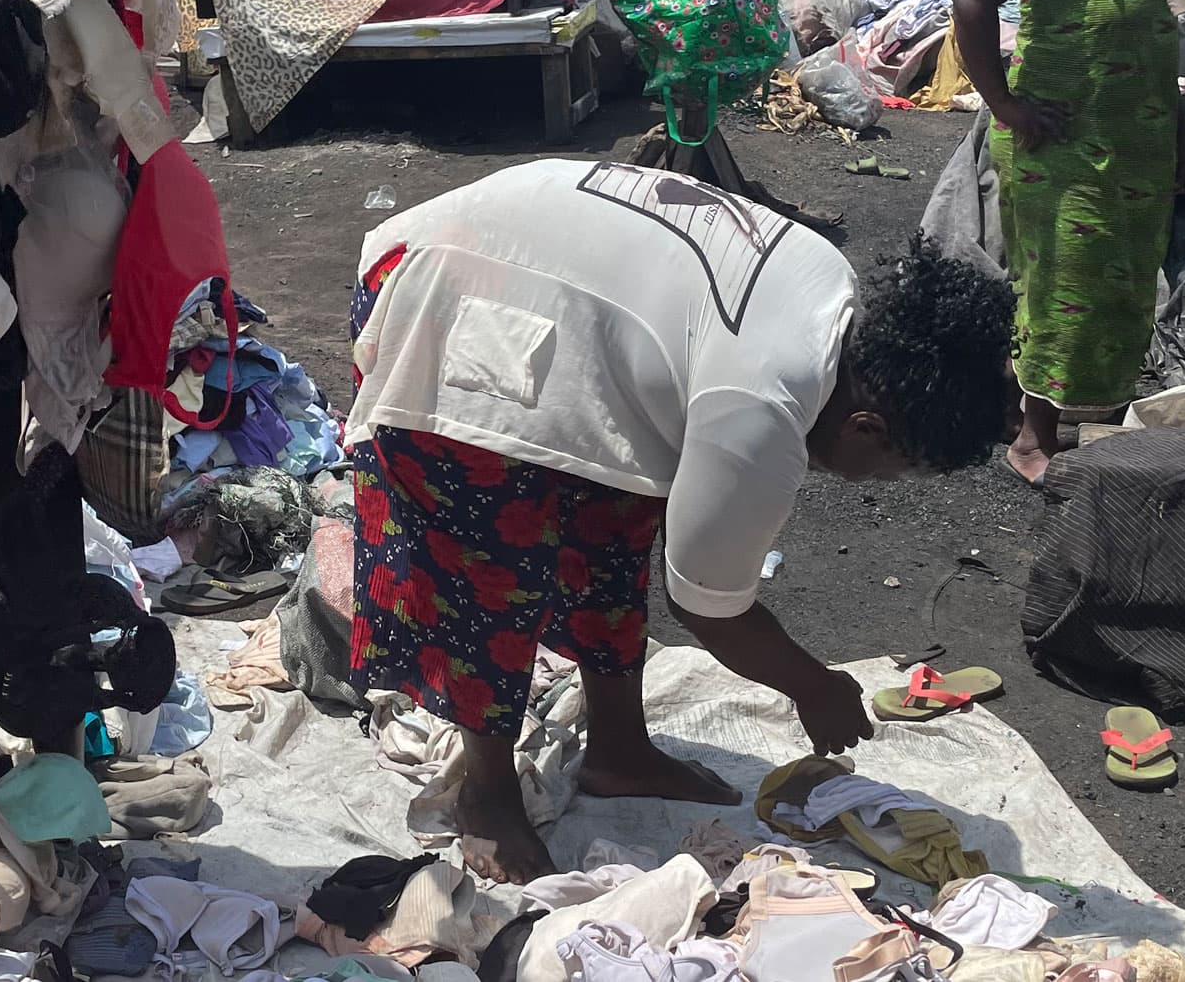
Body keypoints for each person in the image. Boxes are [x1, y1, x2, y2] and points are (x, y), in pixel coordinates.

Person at [344, 159, 1016, 881]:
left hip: (530, 270)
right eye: (897, 469)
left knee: (612, 524)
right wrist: (814, 686)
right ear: (867, 427)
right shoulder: (762, 404)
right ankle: (487, 793)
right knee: (486, 568)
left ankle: (618, 750)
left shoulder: (836, 300)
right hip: (444, 291)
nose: (880, 484)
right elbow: (709, 606)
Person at [948, 0, 1185, 483]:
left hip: (1137, 146)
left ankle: (1085, 416)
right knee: (1064, 288)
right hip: (1063, 143)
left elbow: (1151, 44)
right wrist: (1005, 104)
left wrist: (1179, 136)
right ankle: (1034, 436)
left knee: (1124, 289)